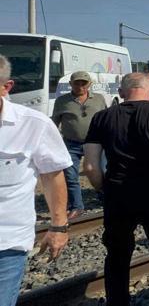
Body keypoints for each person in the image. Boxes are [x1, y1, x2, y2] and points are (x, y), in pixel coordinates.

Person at [82, 73, 149, 306]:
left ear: (121, 92)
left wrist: (103, 189)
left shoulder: (102, 117)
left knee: (118, 255)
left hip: (118, 194)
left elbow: (90, 165)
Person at [0, 54, 70, 306]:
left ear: (6, 87)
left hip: (5, 244)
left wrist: (58, 227)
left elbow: (52, 177)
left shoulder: (33, 124)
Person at [51, 70, 108, 219]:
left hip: (96, 143)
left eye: (84, 83)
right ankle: (77, 206)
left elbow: (107, 119)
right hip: (71, 144)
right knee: (70, 175)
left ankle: (104, 196)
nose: (81, 86)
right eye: (77, 83)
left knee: (99, 172)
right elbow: (54, 123)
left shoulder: (99, 99)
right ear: (71, 84)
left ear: (89, 84)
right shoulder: (62, 101)